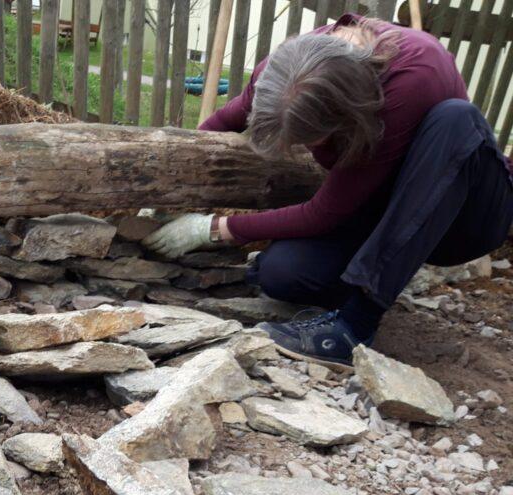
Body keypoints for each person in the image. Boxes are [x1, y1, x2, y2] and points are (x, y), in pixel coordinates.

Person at [142, 14, 513, 369]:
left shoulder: (414, 76)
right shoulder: (285, 71)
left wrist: (211, 228)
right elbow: (225, 120)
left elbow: (324, 213)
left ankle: (354, 327)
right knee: (281, 273)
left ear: (350, 114)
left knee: (455, 119)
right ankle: (383, 272)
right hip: (376, 209)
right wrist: (167, 188)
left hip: (461, 222)